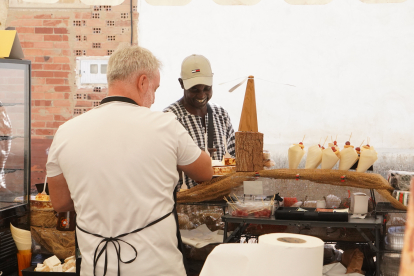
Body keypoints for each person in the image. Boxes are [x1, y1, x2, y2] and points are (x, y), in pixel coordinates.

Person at [46, 46, 213, 276]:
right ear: (142, 82)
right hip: (157, 268)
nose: (153, 99)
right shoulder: (165, 125)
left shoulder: (65, 132)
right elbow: (205, 172)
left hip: (97, 267)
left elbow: (61, 203)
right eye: (154, 89)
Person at [164, 54, 236, 189]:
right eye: (194, 90)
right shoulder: (170, 118)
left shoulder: (221, 115)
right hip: (184, 203)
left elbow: (234, 157)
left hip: (220, 200)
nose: (202, 95)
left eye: (207, 88)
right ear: (181, 83)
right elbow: (161, 170)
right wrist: (193, 160)